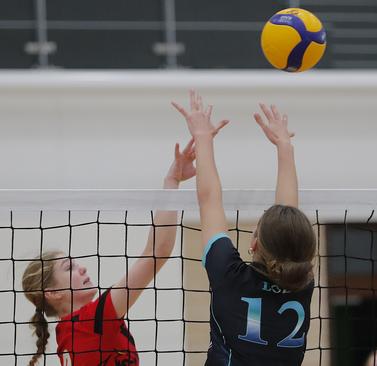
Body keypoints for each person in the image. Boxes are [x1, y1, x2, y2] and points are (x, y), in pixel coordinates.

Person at [22, 139, 197, 365]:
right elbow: (157, 252)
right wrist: (171, 182)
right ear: (53, 293)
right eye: (69, 268)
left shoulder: (67, 331)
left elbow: (153, 250)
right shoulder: (91, 321)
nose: (82, 267)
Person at [172, 91, 316, 365]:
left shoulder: (231, 275)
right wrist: (285, 147)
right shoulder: (301, 283)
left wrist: (202, 138)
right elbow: (286, 222)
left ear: (254, 244)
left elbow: (210, 198)